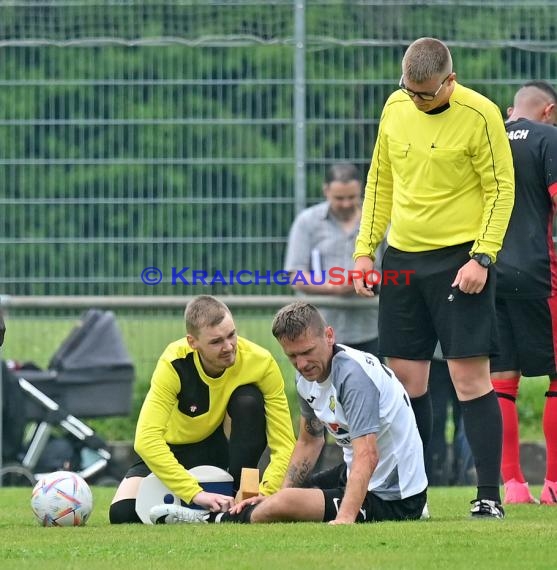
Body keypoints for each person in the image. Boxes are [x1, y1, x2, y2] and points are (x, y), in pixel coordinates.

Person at [352, 37, 515, 518]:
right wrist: (365, 251)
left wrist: (482, 257)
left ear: (451, 79)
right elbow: (380, 178)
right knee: (405, 385)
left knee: (469, 380)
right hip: (402, 259)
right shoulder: (395, 104)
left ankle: (489, 497)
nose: (416, 100)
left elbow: (500, 189)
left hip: (459, 260)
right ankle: (414, 496)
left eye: (426, 93)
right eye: (410, 90)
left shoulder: (481, 115)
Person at [149, 301, 427, 525]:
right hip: (356, 474)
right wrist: (273, 495)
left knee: (284, 504)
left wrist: (344, 518)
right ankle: (240, 511)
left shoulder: (353, 377)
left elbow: (368, 454)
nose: (302, 364)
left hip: (393, 497)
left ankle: (209, 519)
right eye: (293, 356)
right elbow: (310, 441)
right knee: (281, 498)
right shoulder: (307, 378)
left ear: (329, 336)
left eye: (307, 352)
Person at [109, 295, 296, 523]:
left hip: (214, 448)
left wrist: (267, 492)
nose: (228, 347)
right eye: (216, 342)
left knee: (248, 400)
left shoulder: (261, 362)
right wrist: (195, 493)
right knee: (123, 514)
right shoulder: (174, 362)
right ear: (192, 342)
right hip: (169, 451)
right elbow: (146, 440)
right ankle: (209, 514)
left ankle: (240, 496)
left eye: (231, 335)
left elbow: (284, 443)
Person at [490, 80, 557, 505]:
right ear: (548, 111)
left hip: (486, 272)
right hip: (539, 274)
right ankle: (553, 483)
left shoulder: (488, 133)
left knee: (501, 383)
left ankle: (513, 486)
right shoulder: (549, 137)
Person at [284, 162, 381, 354]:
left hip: (369, 328)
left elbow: (396, 272)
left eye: (351, 197)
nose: (346, 203)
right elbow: (295, 276)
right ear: (325, 190)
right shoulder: (307, 222)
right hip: (318, 330)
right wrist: (334, 288)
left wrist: (370, 281)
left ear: (361, 189)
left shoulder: (377, 222)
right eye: (339, 198)